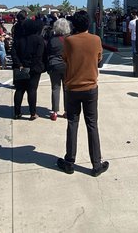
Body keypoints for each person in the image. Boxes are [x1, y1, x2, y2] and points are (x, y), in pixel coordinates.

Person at [57, 11, 108, 177]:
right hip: (91, 88)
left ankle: (70, 161)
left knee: (72, 123)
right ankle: (96, 163)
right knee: (92, 124)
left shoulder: (69, 41)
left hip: (72, 88)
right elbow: (99, 59)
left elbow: (65, 59)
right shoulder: (96, 40)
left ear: (74, 25)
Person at [13, 19, 45, 120]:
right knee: (32, 90)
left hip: (21, 67)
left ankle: (17, 113)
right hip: (34, 68)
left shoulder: (19, 39)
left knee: (19, 90)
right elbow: (39, 55)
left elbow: (13, 53)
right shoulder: (39, 39)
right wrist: (32, 65)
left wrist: (19, 64)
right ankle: (32, 113)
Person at [45, 18, 71, 121]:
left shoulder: (52, 39)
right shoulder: (70, 39)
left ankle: (55, 112)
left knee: (55, 88)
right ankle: (67, 111)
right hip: (66, 66)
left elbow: (48, 53)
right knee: (66, 88)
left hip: (54, 65)